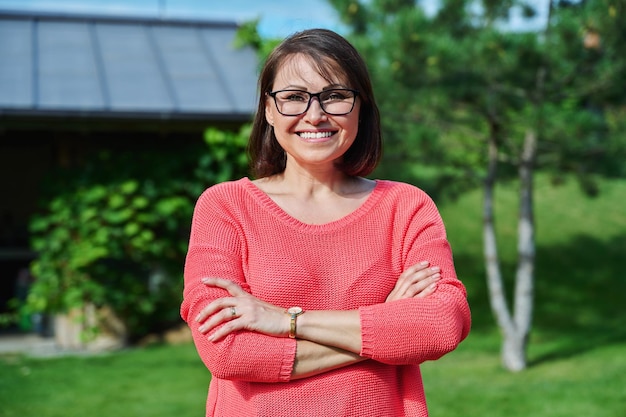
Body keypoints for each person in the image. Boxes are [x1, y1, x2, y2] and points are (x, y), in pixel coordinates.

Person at [181, 28, 471, 417]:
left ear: (360, 108)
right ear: (267, 110)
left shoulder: (405, 207)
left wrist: (284, 321)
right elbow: (228, 352)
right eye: (294, 97)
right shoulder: (225, 207)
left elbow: (440, 325)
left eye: (335, 96)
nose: (314, 114)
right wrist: (383, 324)